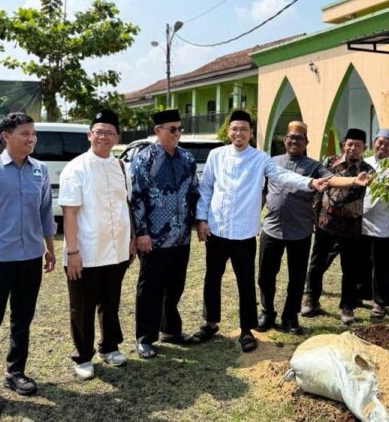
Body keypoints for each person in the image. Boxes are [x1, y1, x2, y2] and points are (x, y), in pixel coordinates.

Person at [193, 110, 329, 353]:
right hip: (217, 229)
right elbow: (206, 188)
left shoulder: (260, 159)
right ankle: (210, 323)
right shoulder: (216, 155)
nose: (239, 133)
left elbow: (284, 176)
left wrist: (310, 182)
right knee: (212, 278)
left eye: (244, 129)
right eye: (234, 129)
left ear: (251, 133)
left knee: (245, 283)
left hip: (244, 233)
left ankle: (247, 330)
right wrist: (201, 218)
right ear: (229, 131)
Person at [0, 112, 56, 417]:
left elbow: (46, 214)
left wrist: (50, 249)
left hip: (30, 258)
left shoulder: (40, 171)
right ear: (6, 136)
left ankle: (15, 372)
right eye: (25, 134)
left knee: (22, 319)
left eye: (33, 134)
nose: (31, 138)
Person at [256, 121, 368, 334]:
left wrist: (354, 180)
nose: (294, 141)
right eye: (291, 137)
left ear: (306, 142)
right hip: (271, 229)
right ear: (285, 140)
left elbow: (332, 180)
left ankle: (290, 318)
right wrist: (255, 220)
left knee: (296, 278)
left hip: (300, 232)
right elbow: (262, 191)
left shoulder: (314, 166)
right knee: (266, 275)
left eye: (299, 139)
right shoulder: (271, 162)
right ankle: (267, 313)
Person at [58, 109, 135, 380]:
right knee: (82, 307)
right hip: (87, 251)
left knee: (111, 302)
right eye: (98, 131)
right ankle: (83, 355)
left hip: (117, 250)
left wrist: (131, 239)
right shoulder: (76, 168)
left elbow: (126, 206)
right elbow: (69, 214)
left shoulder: (121, 166)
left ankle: (110, 346)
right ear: (89, 134)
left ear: (117, 137)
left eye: (109, 133)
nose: (103, 137)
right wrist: (73, 252)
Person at [131, 109, 200, 359]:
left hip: (181, 237)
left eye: (181, 128)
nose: (178, 133)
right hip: (154, 239)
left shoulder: (187, 159)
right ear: (157, 130)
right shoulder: (144, 159)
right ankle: (145, 338)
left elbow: (194, 192)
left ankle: (170, 330)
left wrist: (199, 221)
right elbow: (137, 198)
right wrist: (142, 233)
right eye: (173, 129)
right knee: (150, 289)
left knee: (175, 286)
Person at [301, 128, 374, 325]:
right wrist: (316, 215)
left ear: (364, 148)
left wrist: (332, 191)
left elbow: (354, 195)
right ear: (344, 145)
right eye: (350, 144)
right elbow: (318, 192)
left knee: (350, 268)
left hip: (351, 225)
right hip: (326, 223)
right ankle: (311, 299)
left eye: (358, 145)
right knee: (316, 264)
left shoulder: (367, 170)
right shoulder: (328, 162)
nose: (353, 148)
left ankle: (347, 306)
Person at [360, 129, 389, 319]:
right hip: (362, 220)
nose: (382, 146)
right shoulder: (364, 163)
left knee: (382, 264)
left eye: (387, 144)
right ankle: (362, 293)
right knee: (362, 261)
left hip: (384, 223)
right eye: (380, 142)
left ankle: (380, 302)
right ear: (374, 143)